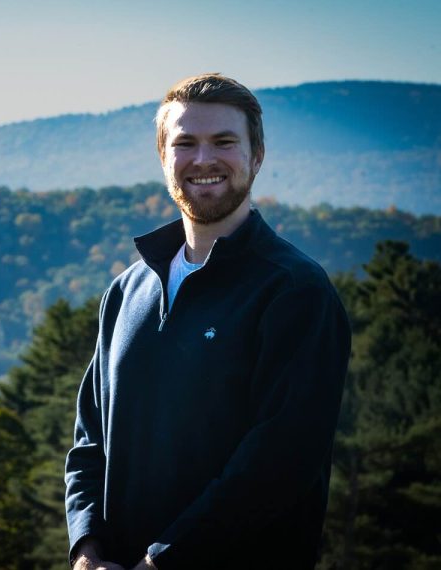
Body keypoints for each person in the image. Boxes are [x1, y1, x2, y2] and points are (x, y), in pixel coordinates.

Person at [64, 73, 352, 569]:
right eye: (185, 144)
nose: (203, 160)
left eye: (223, 142)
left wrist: (162, 561)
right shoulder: (126, 291)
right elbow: (90, 441)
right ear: (162, 157)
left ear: (256, 156)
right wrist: (87, 547)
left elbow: (279, 464)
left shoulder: (295, 292)